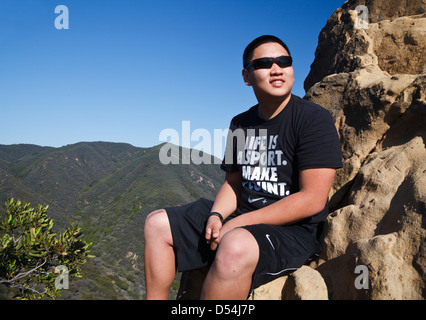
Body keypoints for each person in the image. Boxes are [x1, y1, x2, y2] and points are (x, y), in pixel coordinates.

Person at [144, 35, 342, 300]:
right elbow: (234, 183)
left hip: (293, 231)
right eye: (264, 63)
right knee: (157, 223)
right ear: (247, 76)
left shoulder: (313, 119)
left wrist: (236, 224)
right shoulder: (241, 123)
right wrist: (216, 216)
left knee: (234, 245)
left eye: (284, 61)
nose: (276, 69)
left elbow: (312, 200)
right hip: (243, 214)